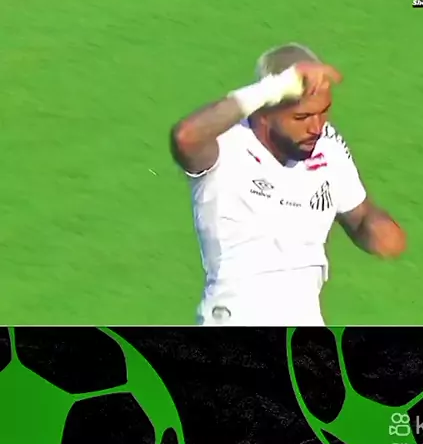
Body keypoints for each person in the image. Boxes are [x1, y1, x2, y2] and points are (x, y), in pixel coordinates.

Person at [170, 43, 406, 325]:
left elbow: (359, 215)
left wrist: (376, 231)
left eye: (323, 112)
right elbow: (185, 137)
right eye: (301, 117)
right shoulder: (226, 145)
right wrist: (273, 88)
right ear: (264, 112)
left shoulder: (326, 144)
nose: (316, 127)